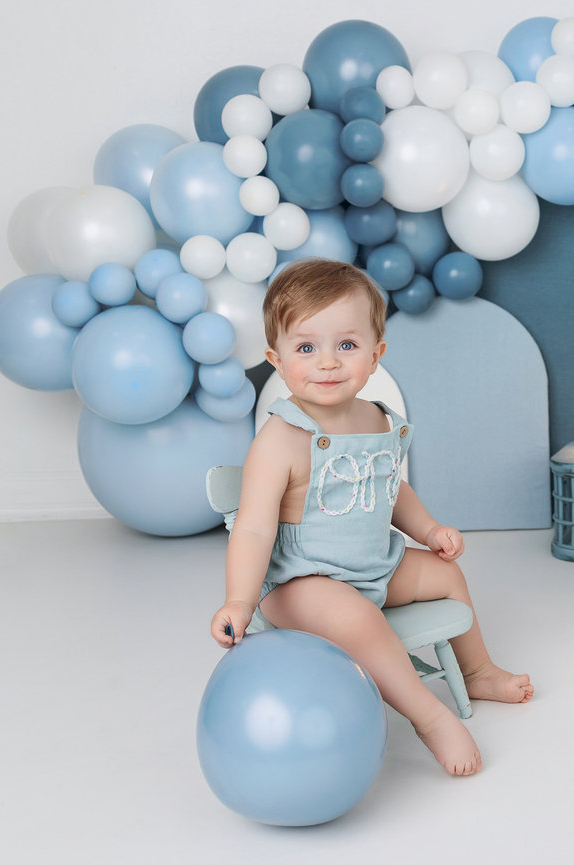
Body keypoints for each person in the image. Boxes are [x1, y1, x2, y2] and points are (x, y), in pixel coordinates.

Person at [209, 258, 532, 776]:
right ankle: (429, 717)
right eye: (306, 347)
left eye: (347, 345)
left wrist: (427, 530)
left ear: (376, 354)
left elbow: (390, 487)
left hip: (375, 563)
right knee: (355, 616)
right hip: (303, 580)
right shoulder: (280, 437)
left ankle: (477, 670)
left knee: (447, 574)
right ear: (276, 357)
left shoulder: (376, 417)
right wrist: (240, 600)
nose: (328, 363)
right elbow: (252, 527)